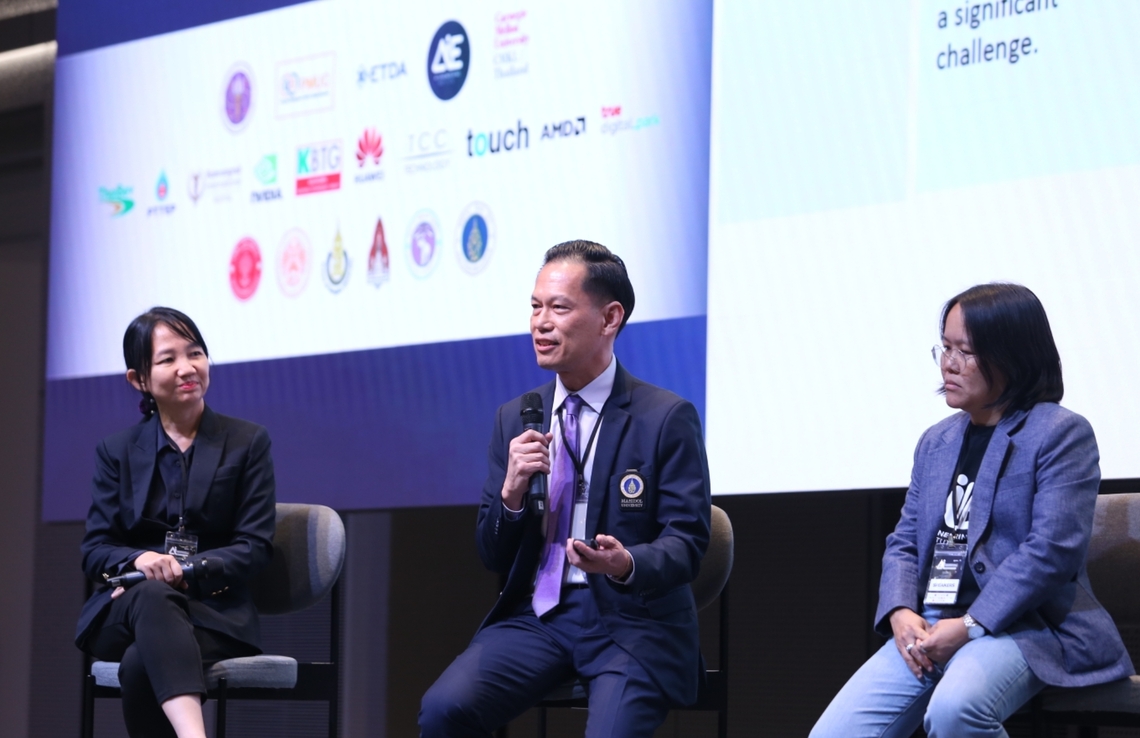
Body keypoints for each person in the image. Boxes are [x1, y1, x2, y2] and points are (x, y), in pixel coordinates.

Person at [810, 283, 1134, 738]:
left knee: (954, 711)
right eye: (945, 347)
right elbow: (905, 541)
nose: (949, 363)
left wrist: (970, 624)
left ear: (1012, 357)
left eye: (966, 351)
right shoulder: (936, 441)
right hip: (931, 624)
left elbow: (1051, 551)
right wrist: (900, 610)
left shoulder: (1060, 434)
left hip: (1023, 627)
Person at [419, 240, 712, 737]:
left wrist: (625, 563)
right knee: (444, 709)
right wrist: (511, 495)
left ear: (610, 318)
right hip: (540, 616)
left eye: (558, 308)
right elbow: (492, 554)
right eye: (535, 307)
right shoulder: (516, 417)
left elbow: (688, 542)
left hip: (631, 622)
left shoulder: (664, 418)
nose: (540, 323)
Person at [75, 307, 276, 738]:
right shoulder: (117, 451)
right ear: (139, 379)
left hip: (213, 612)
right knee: (150, 594)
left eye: (195, 353)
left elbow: (255, 546)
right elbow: (95, 550)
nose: (188, 368)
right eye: (168, 359)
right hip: (126, 608)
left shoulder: (247, 442)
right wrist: (141, 560)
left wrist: (185, 570)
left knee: (139, 662)